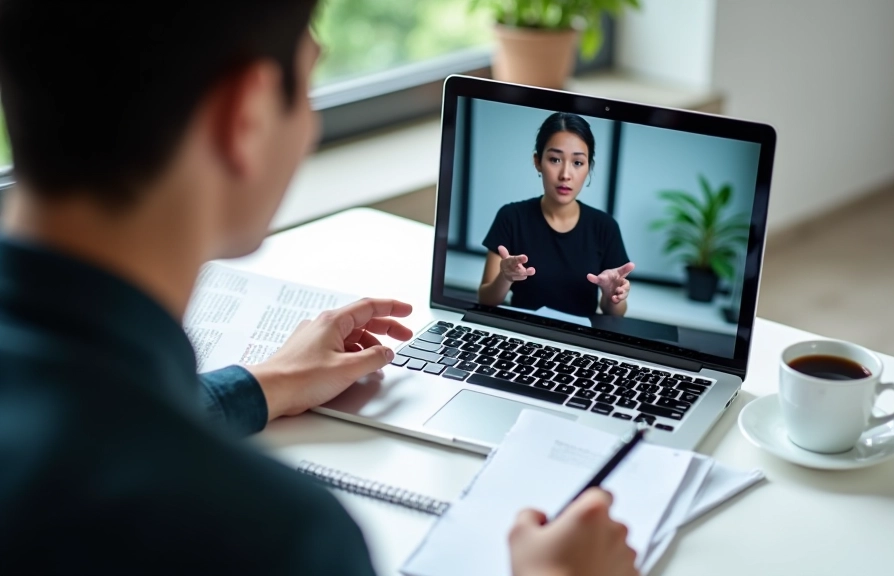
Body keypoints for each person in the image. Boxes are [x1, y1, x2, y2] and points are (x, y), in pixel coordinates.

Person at [0, 2, 639, 574]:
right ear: (244, 117)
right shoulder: (273, 539)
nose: (308, 128)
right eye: (308, 83)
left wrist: (261, 384)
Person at [478, 112, 635, 318]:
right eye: (555, 159)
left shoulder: (605, 227)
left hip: (580, 340)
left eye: (577, 163)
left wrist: (611, 294)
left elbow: (615, 313)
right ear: (538, 161)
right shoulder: (511, 217)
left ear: (589, 167)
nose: (565, 175)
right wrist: (505, 277)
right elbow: (486, 300)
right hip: (521, 334)